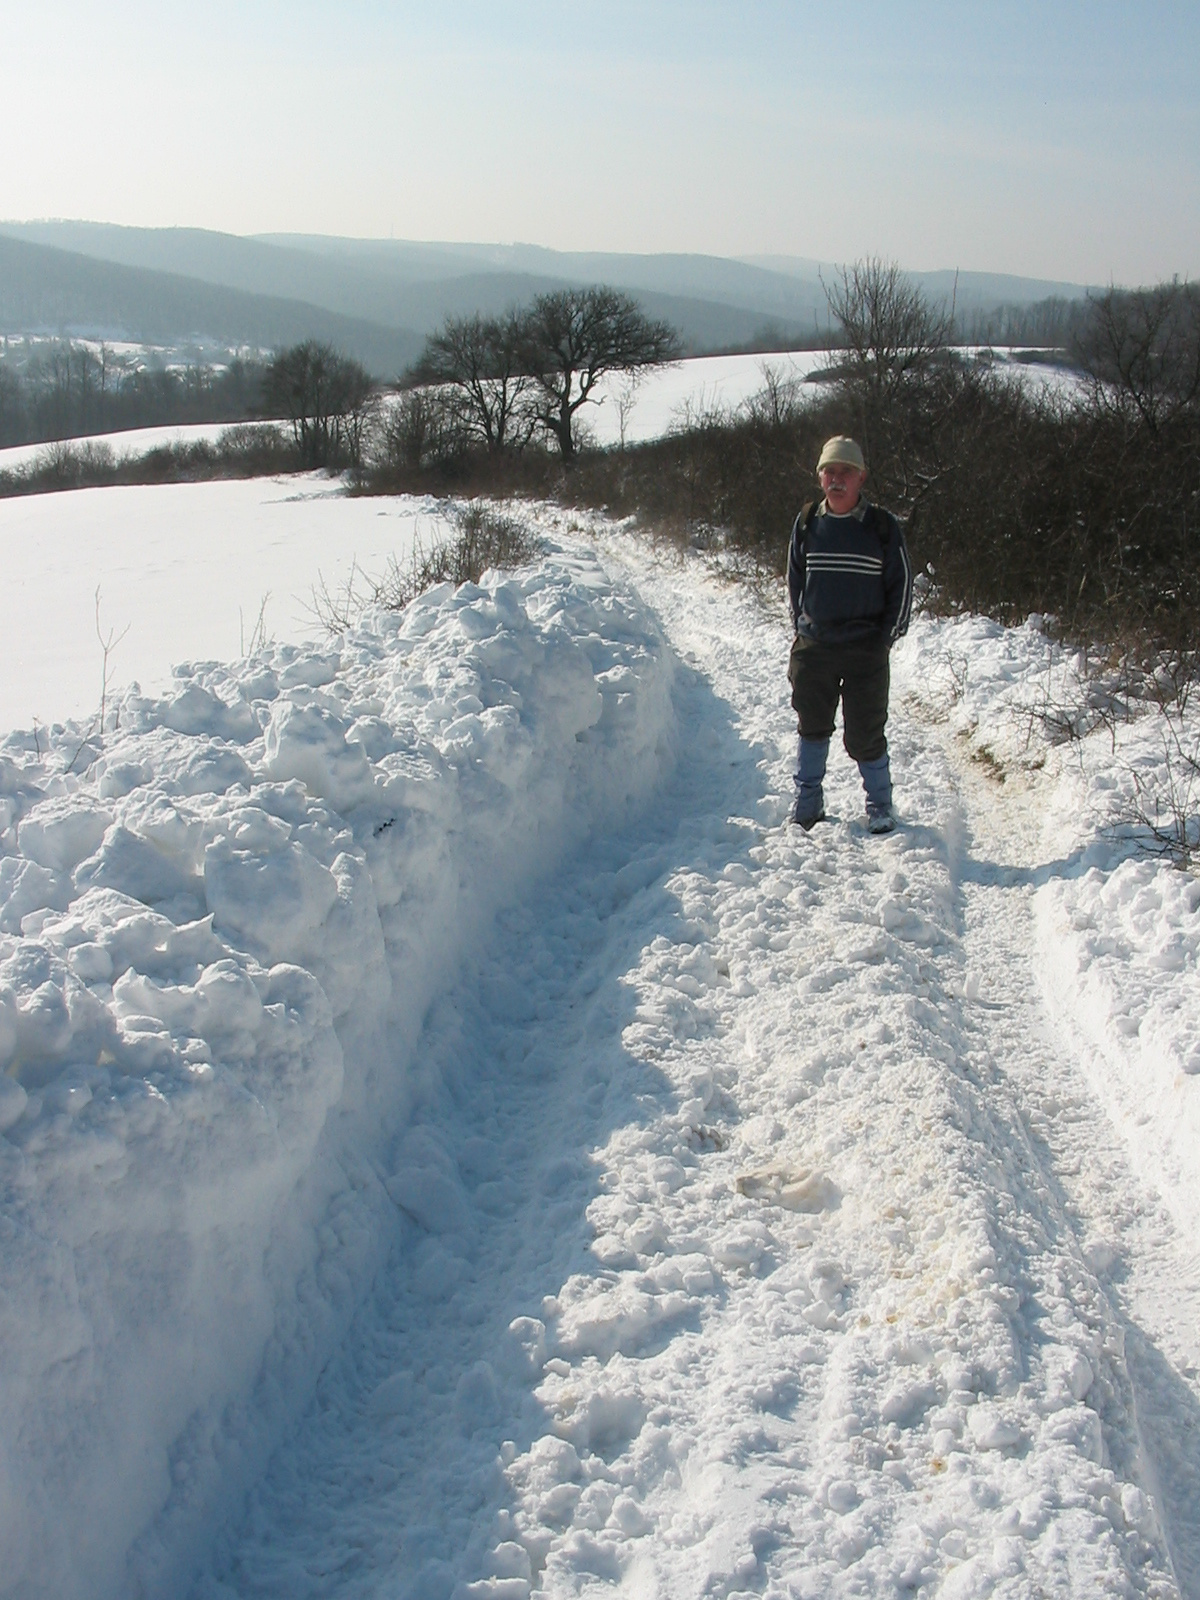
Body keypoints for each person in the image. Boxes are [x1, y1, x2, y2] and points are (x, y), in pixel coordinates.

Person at [786, 435, 913, 833]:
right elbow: (794, 579)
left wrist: (886, 637)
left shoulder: (881, 527)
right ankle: (808, 802)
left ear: (861, 478)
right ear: (820, 477)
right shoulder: (808, 522)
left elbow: (902, 583)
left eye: (845, 472)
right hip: (815, 647)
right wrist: (803, 626)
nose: (836, 479)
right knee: (812, 726)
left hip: (865, 650)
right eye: (829, 471)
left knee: (866, 731)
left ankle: (880, 805)